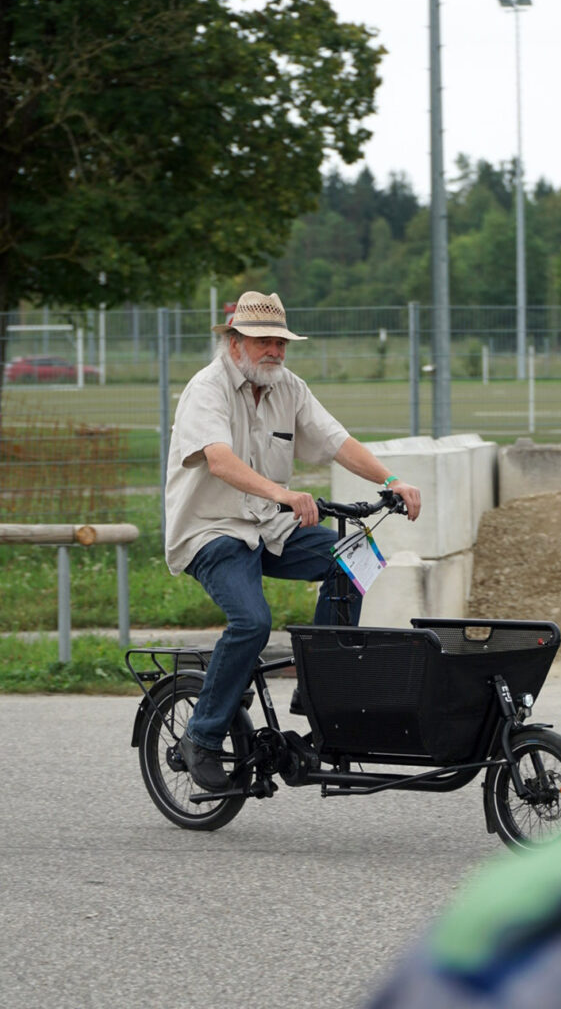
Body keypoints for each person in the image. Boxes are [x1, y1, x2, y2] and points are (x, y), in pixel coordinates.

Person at [164, 291, 421, 791]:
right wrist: (283, 493)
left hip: (270, 527)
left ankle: (320, 686)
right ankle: (201, 736)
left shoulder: (289, 388)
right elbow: (218, 459)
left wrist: (391, 481)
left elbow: (336, 440)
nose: (274, 352)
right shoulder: (207, 389)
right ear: (235, 341)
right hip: (212, 530)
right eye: (263, 341)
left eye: (281, 343)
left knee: (355, 558)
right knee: (252, 622)